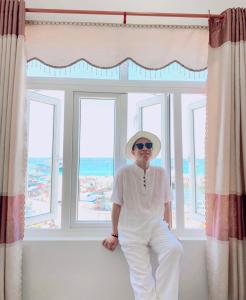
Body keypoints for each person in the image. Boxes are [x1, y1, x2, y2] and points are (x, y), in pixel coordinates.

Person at [102, 131, 183, 300]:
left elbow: (167, 204)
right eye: (140, 146)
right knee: (142, 279)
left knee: (174, 249)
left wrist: (169, 229)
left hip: (156, 227)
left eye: (148, 145)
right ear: (133, 151)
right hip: (131, 231)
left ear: (152, 151)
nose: (145, 149)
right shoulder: (123, 172)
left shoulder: (161, 172)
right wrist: (114, 234)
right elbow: (116, 206)